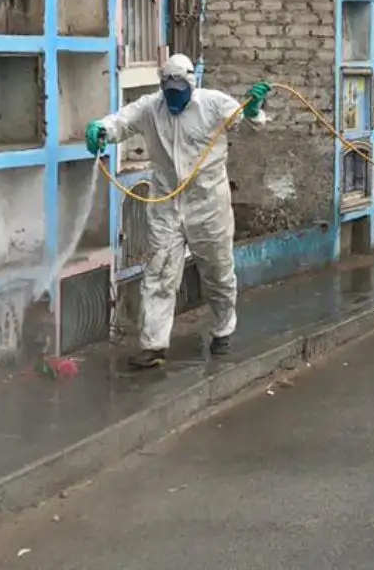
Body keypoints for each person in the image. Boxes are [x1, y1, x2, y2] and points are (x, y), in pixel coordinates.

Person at [85, 55, 271, 368]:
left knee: (217, 272)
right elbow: (121, 121)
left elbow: (247, 124)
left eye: (178, 89)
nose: (173, 95)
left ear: (190, 84)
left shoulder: (213, 104)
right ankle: (154, 345)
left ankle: (223, 329)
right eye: (168, 89)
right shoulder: (150, 107)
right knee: (159, 273)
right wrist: (101, 128)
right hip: (166, 204)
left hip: (208, 205)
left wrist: (253, 110)